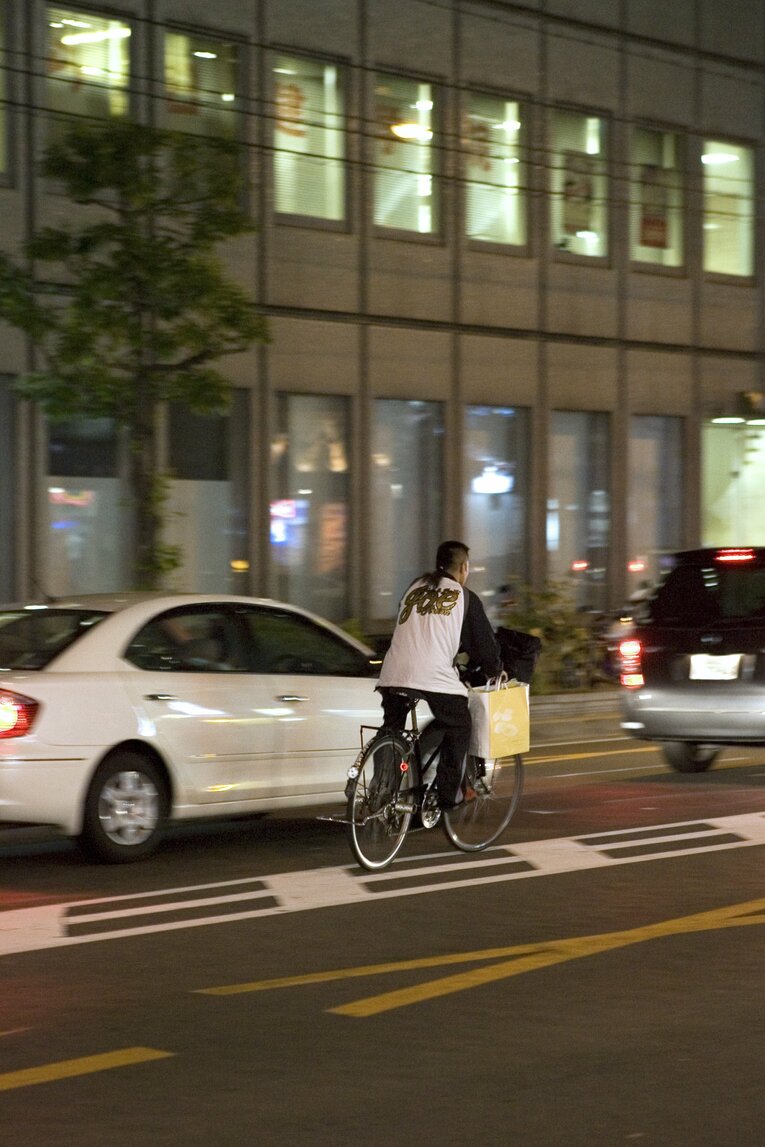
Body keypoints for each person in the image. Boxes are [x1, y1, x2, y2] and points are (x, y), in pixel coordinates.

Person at [377, 540, 502, 809]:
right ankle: (449, 795)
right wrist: (495, 671)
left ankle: (383, 787)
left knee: (392, 729)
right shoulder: (462, 596)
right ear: (464, 567)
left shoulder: (414, 588)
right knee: (460, 723)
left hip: (392, 674)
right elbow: (483, 648)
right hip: (432, 676)